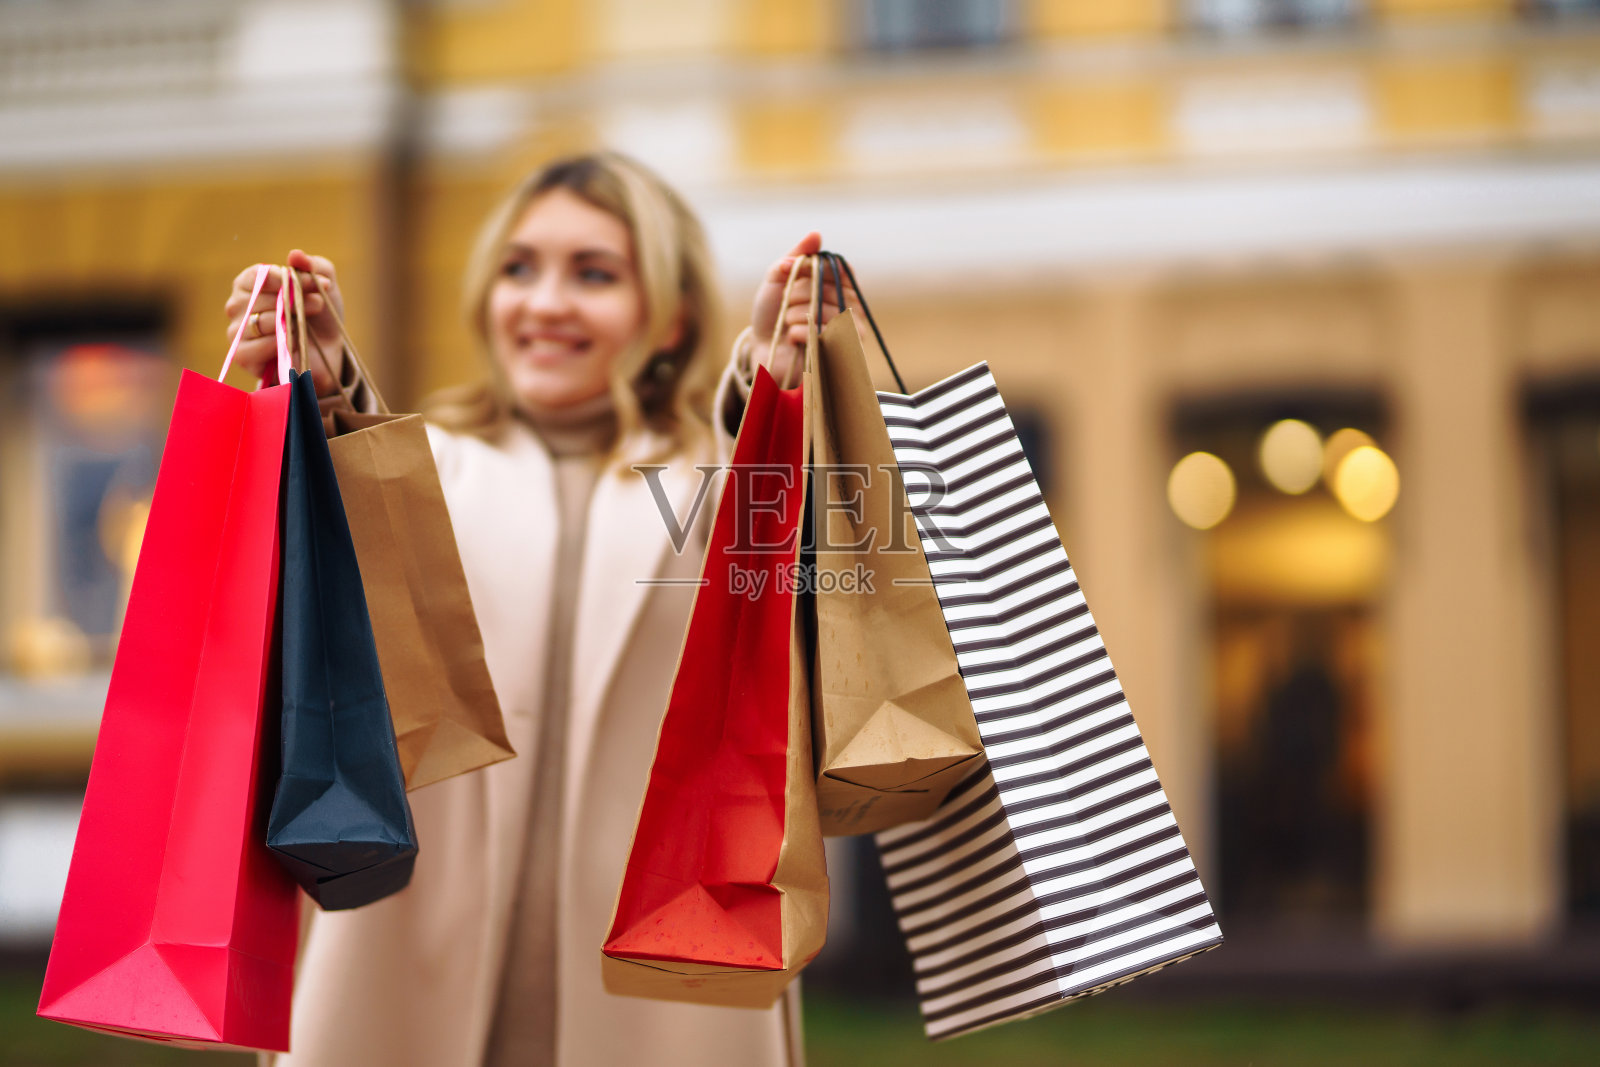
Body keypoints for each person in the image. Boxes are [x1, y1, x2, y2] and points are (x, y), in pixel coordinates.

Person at [223, 151, 851, 1067]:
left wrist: (771, 381)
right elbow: (324, 571)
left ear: (670, 314)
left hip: (661, 1009)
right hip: (402, 971)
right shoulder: (423, 464)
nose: (545, 302)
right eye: (519, 268)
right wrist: (321, 395)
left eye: (593, 273)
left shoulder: (705, 484)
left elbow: (777, 553)